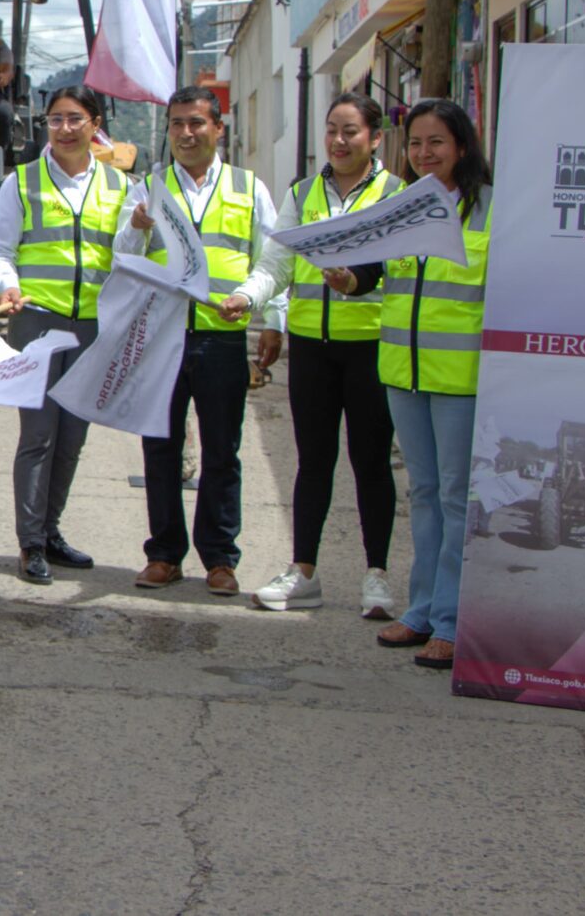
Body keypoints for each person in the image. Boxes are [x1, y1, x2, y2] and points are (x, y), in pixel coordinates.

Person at [216, 93, 402, 617]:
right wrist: (247, 298)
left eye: (351, 132)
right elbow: (275, 264)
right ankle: (304, 572)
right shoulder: (304, 193)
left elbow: (399, 266)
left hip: (370, 346)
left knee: (371, 464)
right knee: (313, 463)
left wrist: (356, 282)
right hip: (313, 351)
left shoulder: (395, 193)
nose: (339, 142)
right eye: (331, 131)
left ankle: (377, 576)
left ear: (375, 138)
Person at [346, 98, 492, 672]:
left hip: (461, 380)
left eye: (436, 142)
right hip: (403, 374)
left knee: (456, 500)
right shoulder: (400, 208)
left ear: (461, 147)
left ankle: (453, 622)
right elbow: (376, 274)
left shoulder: (489, 210)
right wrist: (349, 279)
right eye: (415, 144)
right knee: (424, 496)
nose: (424, 153)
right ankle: (422, 609)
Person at [0, 86, 146, 584]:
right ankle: (30, 542)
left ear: (94, 123)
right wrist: (8, 286)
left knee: (72, 438)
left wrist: (140, 228)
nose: (64, 128)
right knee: (37, 436)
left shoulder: (121, 187)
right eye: (55, 120)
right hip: (36, 322)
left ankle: (51, 531)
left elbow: (126, 253)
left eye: (75, 119)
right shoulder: (23, 182)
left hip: (92, 327)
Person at [132, 86, 282, 597]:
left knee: (222, 451)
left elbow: (271, 259)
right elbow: (123, 255)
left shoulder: (248, 187)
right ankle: (164, 554)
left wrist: (262, 308)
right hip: (163, 339)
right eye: (176, 124)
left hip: (221, 339)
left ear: (219, 128)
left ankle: (220, 558)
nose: (186, 133)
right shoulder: (150, 187)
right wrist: (134, 230)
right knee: (160, 449)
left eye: (196, 123)